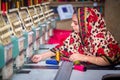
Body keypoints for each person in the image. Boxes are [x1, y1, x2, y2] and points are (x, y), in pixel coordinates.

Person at [31, 7, 120, 66]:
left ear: (86, 25)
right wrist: (42, 56)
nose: (71, 25)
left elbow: (108, 60)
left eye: (75, 23)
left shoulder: (99, 36)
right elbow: (63, 48)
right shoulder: (78, 35)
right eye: (72, 22)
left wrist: (83, 57)